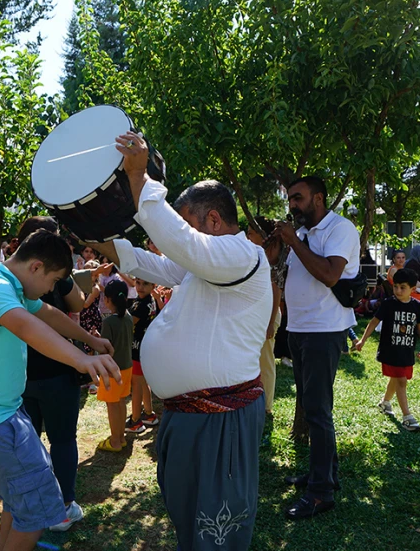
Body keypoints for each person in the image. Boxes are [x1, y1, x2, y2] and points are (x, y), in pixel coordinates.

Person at [93, 132, 271, 551]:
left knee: (216, 529)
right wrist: (91, 229)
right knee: (190, 520)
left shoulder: (242, 256)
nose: (182, 234)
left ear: (212, 220)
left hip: (219, 419)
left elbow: (179, 242)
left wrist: (141, 179)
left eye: (188, 221)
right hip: (191, 417)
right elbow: (147, 260)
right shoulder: (207, 264)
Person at [0, 229, 120, 551]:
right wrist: (82, 360)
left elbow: (47, 313)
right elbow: (28, 326)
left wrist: (90, 339)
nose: (52, 289)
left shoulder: (10, 286)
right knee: (38, 512)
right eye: (54, 280)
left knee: (20, 505)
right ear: (36, 267)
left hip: (4, 413)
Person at [272, 176, 359, 520]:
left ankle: (321, 493)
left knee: (318, 411)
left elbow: (329, 275)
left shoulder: (341, 229)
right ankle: (325, 474)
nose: (292, 205)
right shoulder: (304, 234)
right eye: (290, 199)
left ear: (318, 199)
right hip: (300, 330)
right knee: (313, 407)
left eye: (298, 198)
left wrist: (293, 240)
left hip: (324, 331)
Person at [15, 216, 90, 533]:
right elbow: (77, 304)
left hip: (21, 374)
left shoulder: (7, 279)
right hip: (54, 372)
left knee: (28, 443)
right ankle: (61, 506)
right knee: (61, 439)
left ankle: (36, 504)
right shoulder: (39, 278)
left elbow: (47, 312)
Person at [354, 267, 420, 431]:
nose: (398, 290)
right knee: (401, 381)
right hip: (391, 350)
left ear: (412, 289)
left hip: (406, 351)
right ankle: (407, 417)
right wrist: (362, 340)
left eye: (403, 287)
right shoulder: (388, 304)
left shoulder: (417, 306)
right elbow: (373, 322)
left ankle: (385, 403)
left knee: (397, 379)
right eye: (395, 286)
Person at [247, 217, 286, 426]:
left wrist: (270, 322)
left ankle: (267, 406)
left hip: (267, 317)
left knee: (266, 362)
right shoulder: (257, 256)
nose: (248, 237)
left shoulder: (272, 259)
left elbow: (276, 290)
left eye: (251, 233)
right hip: (256, 316)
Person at [95, 279, 134, 452]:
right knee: (121, 402)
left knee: (112, 405)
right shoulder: (129, 317)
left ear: (108, 299)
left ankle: (115, 441)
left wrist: (95, 338)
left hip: (112, 370)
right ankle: (121, 437)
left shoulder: (109, 322)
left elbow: (105, 349)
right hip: (127, 367)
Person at [125, 277, 160, 434]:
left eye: (145, 283)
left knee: (136, 385)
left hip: (137, 348)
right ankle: (149, 413)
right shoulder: (151, 299)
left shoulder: (141, 304)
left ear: (153, 285)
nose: (140, 287)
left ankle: (135, 421)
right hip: (146, 348)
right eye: (138, 282)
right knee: (144, 382)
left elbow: (128, 324)